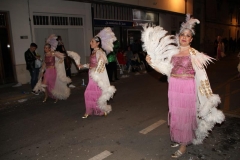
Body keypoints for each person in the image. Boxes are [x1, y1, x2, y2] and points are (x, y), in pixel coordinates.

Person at [142, 14, 225, 158]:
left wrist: (207, 96)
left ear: (191, 39)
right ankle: (180, 137)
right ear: (178, 36)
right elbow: (166, 70)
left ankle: (183, 145)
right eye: (182, 35)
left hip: (187, 88)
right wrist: (151, 63)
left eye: (188, 35)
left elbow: (201, 76)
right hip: (174, 87)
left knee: (185, 116)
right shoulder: (173, 53)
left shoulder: (194, 54)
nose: (184, 37)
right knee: (176, 115)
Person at [79, 27, 116, 118]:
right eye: (90, 41)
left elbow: (103, 61)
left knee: (88, 93)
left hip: (95, 76)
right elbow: (91, 64)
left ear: (97, 43)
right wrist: (82, 66)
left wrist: (96, 70)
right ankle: (96, 110)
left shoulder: (99, 52)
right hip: (91, 74)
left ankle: (91, 111)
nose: (90, 43)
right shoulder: (94, 52)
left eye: (92, 42)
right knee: (94, 93)